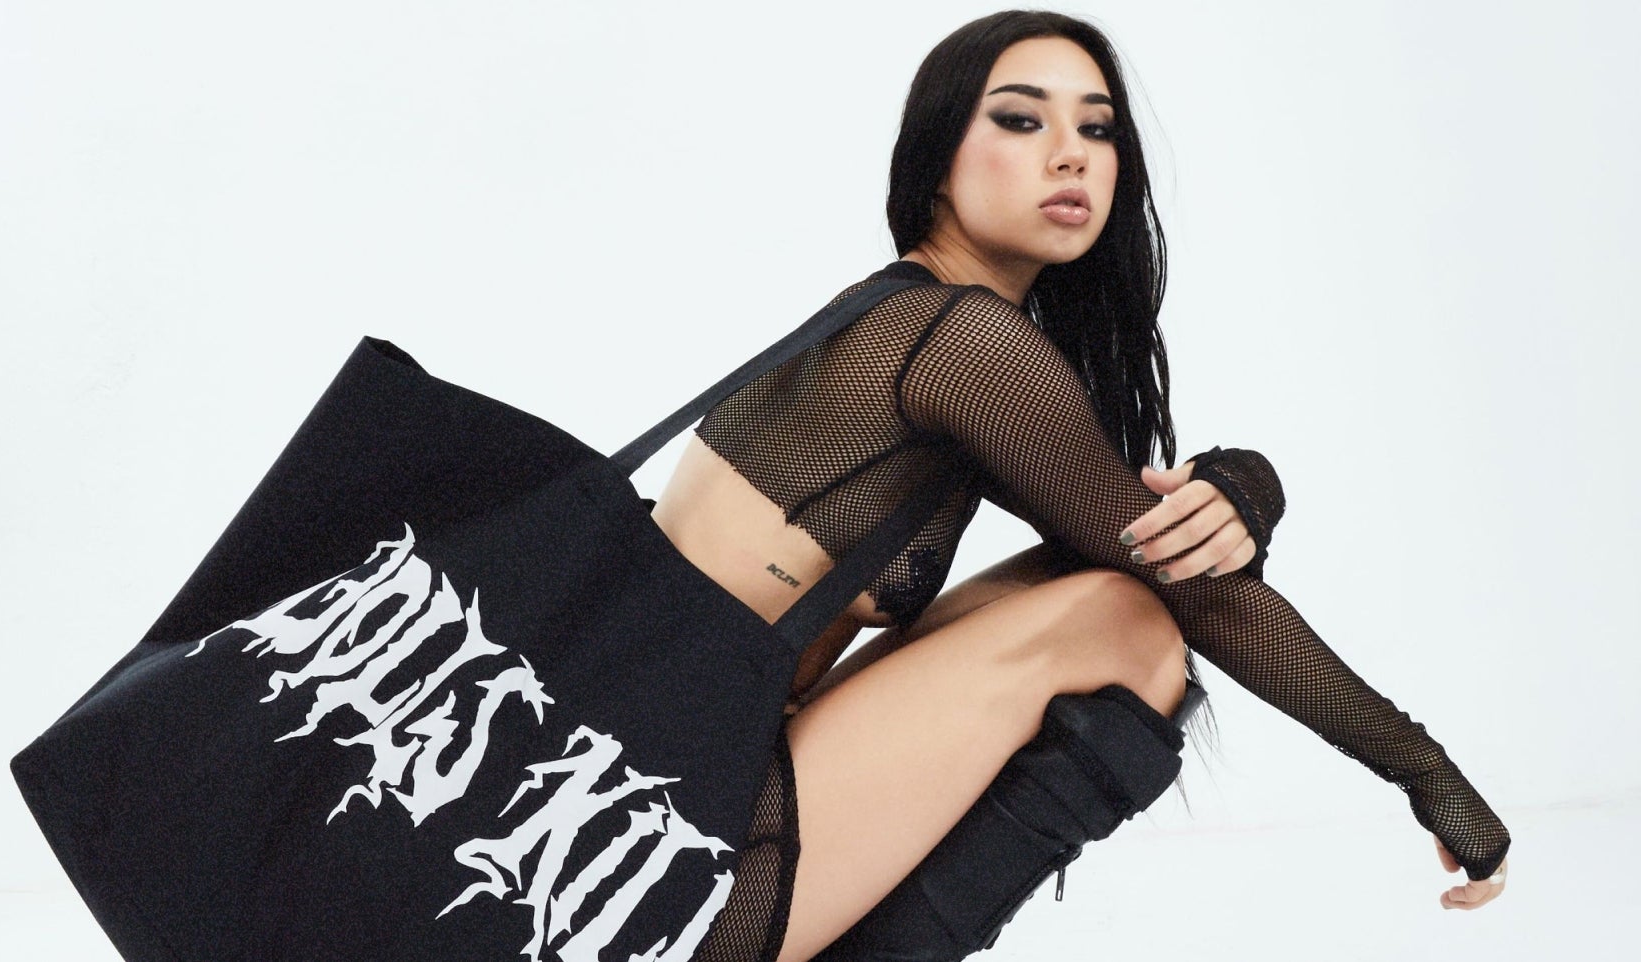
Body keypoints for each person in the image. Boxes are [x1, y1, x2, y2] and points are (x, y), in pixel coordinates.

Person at [641, 11, 1513, 961]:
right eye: (1021, 120)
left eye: (1097, 128)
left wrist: (1246, 486)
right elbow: (1186, 585)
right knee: (1125, 623)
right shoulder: (958, 341)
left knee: (1110, 587)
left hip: (668, 779)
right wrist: (1428, 773)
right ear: (937, 161)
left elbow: (1123, 535)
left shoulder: (909, 317)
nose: (1072, 155)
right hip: (668, 849)